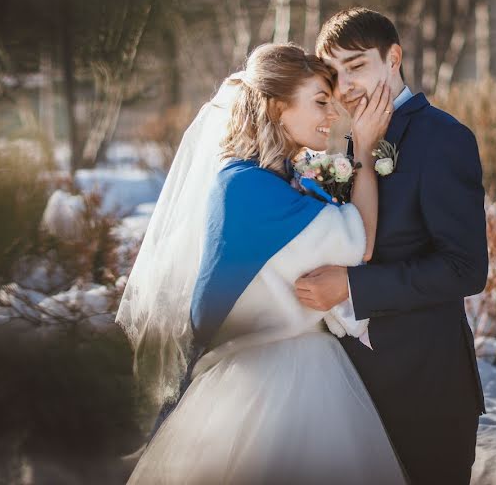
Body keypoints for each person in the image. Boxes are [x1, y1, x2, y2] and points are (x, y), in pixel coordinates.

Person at [116, 43, 406, 484]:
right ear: (275, 107)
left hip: (280, 367)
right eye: (320, 101)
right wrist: (363, 153)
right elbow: (358, 242)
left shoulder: (265, 180)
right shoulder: (248, 189)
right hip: (277, 383)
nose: (333, 114)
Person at [294, 7, 488, 485]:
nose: (346, 86)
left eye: (357, 66)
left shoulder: (443, 138)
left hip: (426, 390)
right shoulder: (348, 143)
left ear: (393, 57)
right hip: (354, 389)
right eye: (334, 74)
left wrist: (352, 286)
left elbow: (465, 268)